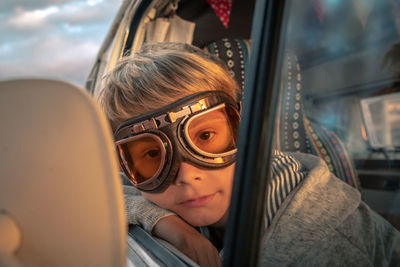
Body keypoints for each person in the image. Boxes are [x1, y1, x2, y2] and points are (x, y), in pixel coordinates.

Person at [98, 42, 400, 266]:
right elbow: (104, 191)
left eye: (205, 136)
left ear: (241, 128)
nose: (187, 175)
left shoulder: (321, 245)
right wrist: (162, 221)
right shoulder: (166, 191)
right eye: (152, 154)